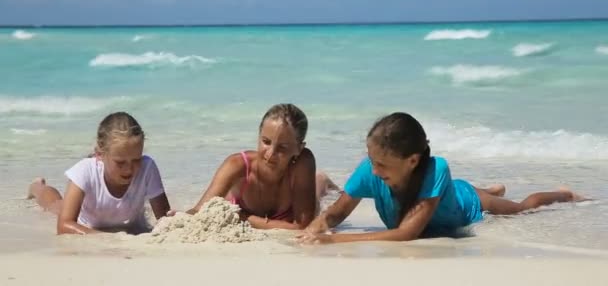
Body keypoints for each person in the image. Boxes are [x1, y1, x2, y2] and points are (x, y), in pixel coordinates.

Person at [298, 111, 585, 244]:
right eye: (372, 160)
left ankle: (565, 193)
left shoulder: (437, 169)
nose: (374, 170)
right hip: (446, 195)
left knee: (523, 207)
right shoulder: (371, 168)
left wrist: (335, 241)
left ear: (412, 161)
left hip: (467, 203)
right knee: (461, 190)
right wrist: (317, 226)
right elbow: (337, 211)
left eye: (382, 164)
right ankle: (492, 188)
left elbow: (407, 233)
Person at [187, 103, 338, 230]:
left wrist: (245, 218)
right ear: (258, 136)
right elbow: (200, 211)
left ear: (299, 148)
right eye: (266, 141)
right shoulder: (237, 165)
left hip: (295, 197)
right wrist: (179, 217)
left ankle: (321, 180)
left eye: (282, 148)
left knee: (317, 195)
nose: (271, 153)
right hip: (282, 216)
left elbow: (301, 227)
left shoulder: (303, 162)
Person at [27, 111, 171, 235]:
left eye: (136, 160)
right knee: (55, 205)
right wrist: (110, 238)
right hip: (88, 224)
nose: (129, 168)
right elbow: (64, 226)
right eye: (120, 163)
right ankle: (37, 186)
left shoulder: (147, 168)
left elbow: (165, 220)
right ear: (99, 154)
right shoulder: (85, 170)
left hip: (130, 225)